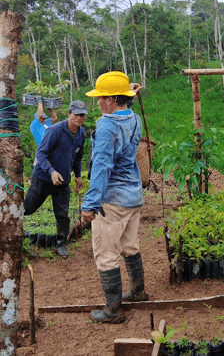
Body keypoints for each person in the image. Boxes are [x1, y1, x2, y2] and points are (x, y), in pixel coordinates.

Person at [81, 72, 146, 324]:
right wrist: (128, 92)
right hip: (133, 195)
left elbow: (102, 166)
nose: (96, 102)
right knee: (129, 246)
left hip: (112, 199)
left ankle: (113, 311)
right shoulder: (135, 119)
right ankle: (138, 292)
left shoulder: (107, 125)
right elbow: (123, 107)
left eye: (99, 98)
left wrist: (90, 204)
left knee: (106, 254)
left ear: (109, 99)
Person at [24, 101, 87, 258]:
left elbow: (77, 157)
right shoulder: (55, 130)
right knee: (28, 208)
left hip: (63, 181)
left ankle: (61, 245)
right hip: (43, 178)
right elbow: (41, 154)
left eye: (82, 115)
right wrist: (52, 172)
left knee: (62, 214)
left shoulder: (82, 134)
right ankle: (10, 231)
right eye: (76, 114)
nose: (79, 118)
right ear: (69, 114)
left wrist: (78, 176)